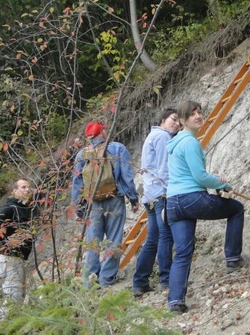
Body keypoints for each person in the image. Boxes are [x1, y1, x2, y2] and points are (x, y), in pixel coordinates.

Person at [166, 101, 245, 313]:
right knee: (236, 209)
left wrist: (214, 182)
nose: (198, 116)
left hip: (173, 203)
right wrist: (222, 184)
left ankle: (175, 301)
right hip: (191, 199)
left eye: (199, 112)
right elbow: (199, 176)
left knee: (182, 253)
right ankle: (233, 258)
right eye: (192, 114)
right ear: (182, 121)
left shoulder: (173, 145)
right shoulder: (190, 142)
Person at [72, 121, 139, 288]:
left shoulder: (82, 155)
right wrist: (133, 198)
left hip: (93, 204)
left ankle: (89, 282)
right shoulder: (116, 148)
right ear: (103, 133)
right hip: (114, 199)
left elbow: (77, 184)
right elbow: (127, 176)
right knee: (114, 240)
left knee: (93, 242)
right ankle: (106, 279)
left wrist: (79, 209)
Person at [132, 109, 180, 296]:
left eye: (178, 122)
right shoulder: (162, 137)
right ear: (162, 119)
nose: (176, 124)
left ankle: (140, 281)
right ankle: (166, 280)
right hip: (160, 194)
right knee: (165, 235)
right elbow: (164, 168)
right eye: (173, 119)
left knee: (153, 238)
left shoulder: (153, 135)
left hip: (150, 195)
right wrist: (169, 191)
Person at [0, 179, 36, 309]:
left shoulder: (26, 208)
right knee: (12, 299)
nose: (27, 190)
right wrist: (8, 242)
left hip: (19, 259)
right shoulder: (10, 208)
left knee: (17, 297)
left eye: (28, 188)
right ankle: (2, 327)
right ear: (14, 191)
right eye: (23, 187)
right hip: (10, 258)